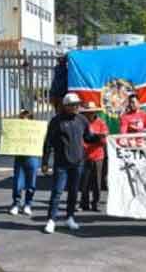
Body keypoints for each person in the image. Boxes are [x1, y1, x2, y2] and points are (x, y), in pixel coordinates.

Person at [41, 93, 105, 233]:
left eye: (78, 104)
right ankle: (51, 220)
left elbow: (88, 138)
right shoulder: (56, 121)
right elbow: (48, 143)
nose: (77, 107)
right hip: (61, 164)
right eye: (74, 105)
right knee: (57, 192)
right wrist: (45, 162)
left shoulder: (82, 120)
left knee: (74, 192)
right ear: (66, 106)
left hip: (78, 163)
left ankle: (70, 217)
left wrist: (99, 138)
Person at [9, 109, 40, 216]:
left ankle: (28, 204)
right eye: (21, 119)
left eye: (26, 120)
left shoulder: (36, 131)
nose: (23, 122)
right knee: (18, 183)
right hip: (20, 158)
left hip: (33, 158)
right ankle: (16, 204)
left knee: (31, 183)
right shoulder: (16, 130)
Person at [79, 104, 108, 212]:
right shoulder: (82, 123)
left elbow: (104, 140)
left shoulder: (101, 123)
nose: (90, 114)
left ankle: (96, 203)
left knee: (97, 182)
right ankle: (84, 203)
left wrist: (94, 139)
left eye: (92, 112)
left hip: (98, 156)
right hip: (84, 156)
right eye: (88, 112)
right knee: (84, 182)